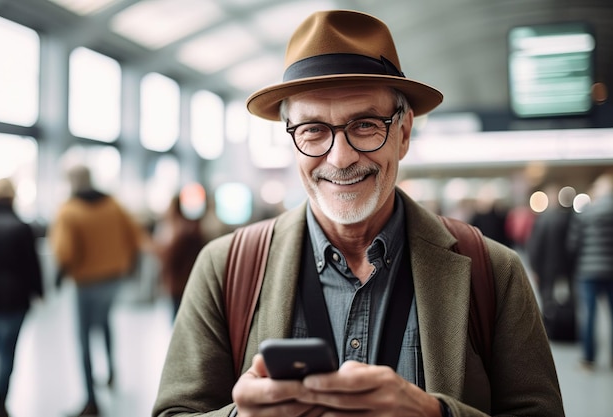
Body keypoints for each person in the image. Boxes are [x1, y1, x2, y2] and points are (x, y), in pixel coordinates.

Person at [153, 10, 564, 417]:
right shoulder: (227, 268)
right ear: (291, 140)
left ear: (403, 134)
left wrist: (434, 415)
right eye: (313, 129)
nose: (341, 156)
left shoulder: (492, 271)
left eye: (365, 124)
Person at [49, 165, 151, 417]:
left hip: (86, 282)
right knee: (105, 323)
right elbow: (135, 235)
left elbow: (65, 251)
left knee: (83, 337)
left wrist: (60, 274)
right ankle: (112, 373)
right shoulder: (113, 205)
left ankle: (91, 400)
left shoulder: (69, 210)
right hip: (113, 278)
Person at [0, 178, 44, 417]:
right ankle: (1, 401)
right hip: (15, 298)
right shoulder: (21, 227)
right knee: (7, 351)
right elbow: (32, 265)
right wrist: (39, 292)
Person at [566, 171, 613, 370]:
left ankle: (589, 359)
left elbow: (573, 243)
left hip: (588, 271)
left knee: (590, 315)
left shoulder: (586, 212)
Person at [527, 184, 576, 340]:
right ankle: (567, 330)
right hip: (565, 268)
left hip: (545, 268)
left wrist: (534, 268)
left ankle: (549, 329)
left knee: (547, 301)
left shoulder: (542, 220)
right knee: (567, 299)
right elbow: (572, 245)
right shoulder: (568, 218)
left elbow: (534, 245)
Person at [154, 194, 207, 319]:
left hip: (182, 285)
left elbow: (170, 257)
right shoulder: (183, 229)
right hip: (182, 284)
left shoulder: (182, 232)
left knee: (180, 321)